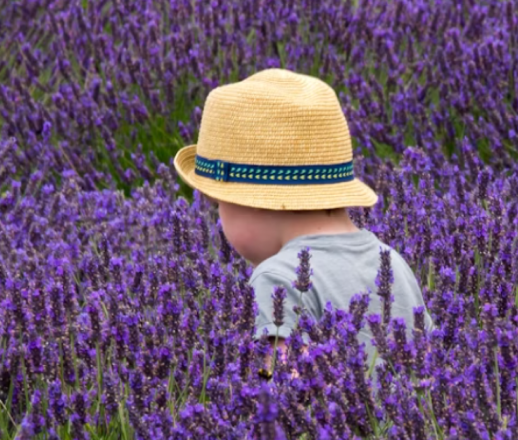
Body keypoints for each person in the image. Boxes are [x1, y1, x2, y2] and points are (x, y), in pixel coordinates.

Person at [173, 69, 428, 375]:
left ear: (251, 203)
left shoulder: (277, 279)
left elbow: (288, 399)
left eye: (218, 205)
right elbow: (431, 376)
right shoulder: (392, 262)